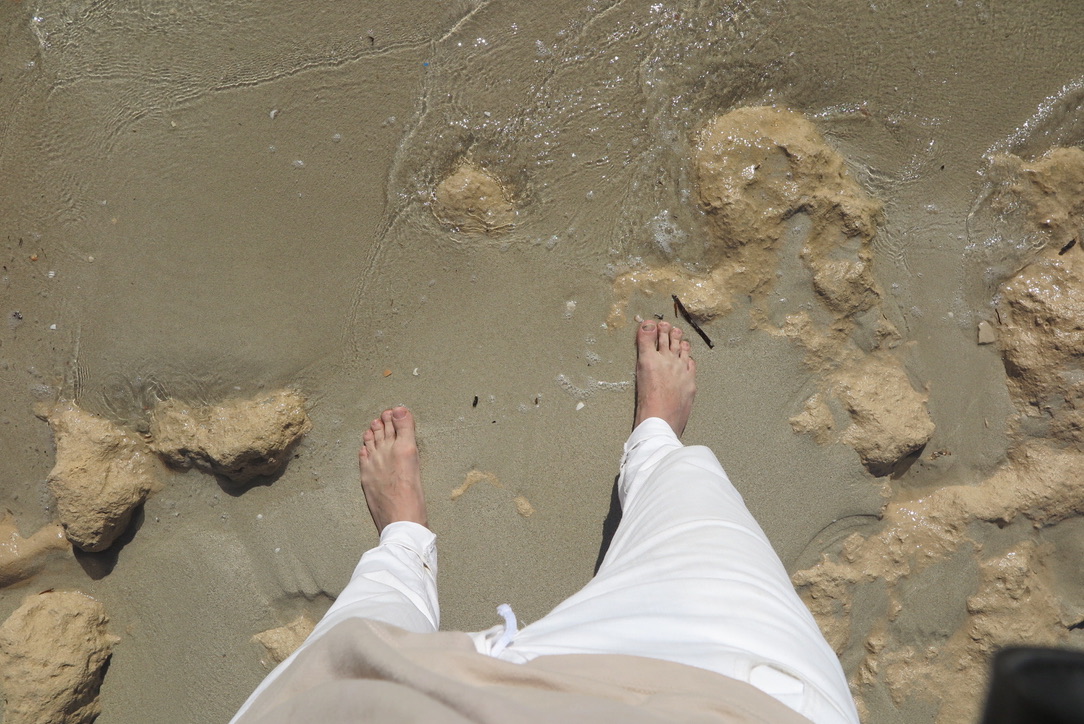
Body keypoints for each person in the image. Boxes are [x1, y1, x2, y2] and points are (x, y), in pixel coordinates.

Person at [229, 321, 860, 724]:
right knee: (698, 513)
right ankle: (654, 445)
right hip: (727, 693)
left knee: (359, 639)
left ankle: (404, 544)